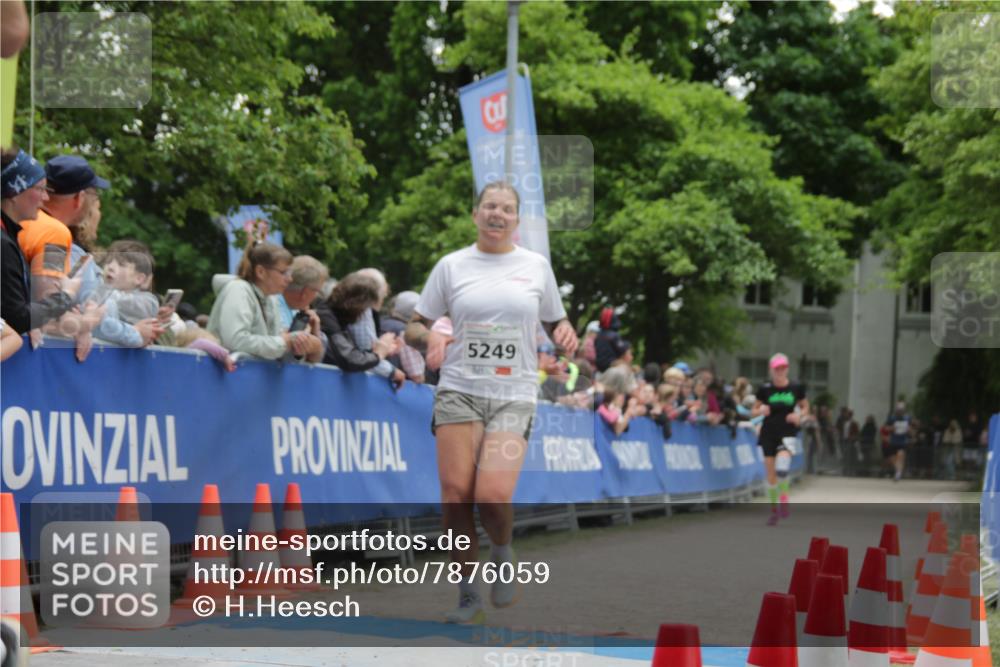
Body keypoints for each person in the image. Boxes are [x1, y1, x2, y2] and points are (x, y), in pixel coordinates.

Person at [404, 181, 577, 624]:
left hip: (513, 394)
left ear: (516, 220)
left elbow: (558, 322)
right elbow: (413, 327)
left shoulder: (536, 267)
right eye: (489, 206)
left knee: (493, 495)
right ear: (476, 214)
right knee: (456, 496)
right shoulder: (451, 265)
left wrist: (565, 334)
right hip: (459, 388)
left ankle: (502, 551)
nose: (497, 214)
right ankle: (468, 598)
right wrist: (433, 336)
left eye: (506, 208)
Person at [1, 148, 81, 334]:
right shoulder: (55, 233)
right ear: (14, 191)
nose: (45, 198)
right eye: (40, 189)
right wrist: (65, 296)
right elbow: (18, 318)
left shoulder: (11, 235)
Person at [207, 242, 322, 361]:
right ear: (260, 272)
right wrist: (284, 341)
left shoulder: (271, 299)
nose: (290, 279)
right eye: (283, 273)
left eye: (290, 273)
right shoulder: (238, 290)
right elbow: (234, 341)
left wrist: (297, 342)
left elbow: (273, 347)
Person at [752, 353, 808, 525]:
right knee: (771, 475)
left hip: (787, 431)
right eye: (777, 368)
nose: (780, 371)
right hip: (768, 432)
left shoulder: (796, 387)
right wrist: (761, 409)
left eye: (783, 368)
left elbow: (805, 406)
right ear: (772, 370)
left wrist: (799, 415)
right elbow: (753, 410)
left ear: (787, 369)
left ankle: (784, 499)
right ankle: (774, 511)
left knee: (782, 468)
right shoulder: (765, 388)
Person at [315, 271, 397, 372]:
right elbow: (349, 359)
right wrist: (379, 354)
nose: (364, 315)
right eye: (365, 309)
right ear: (358, 304)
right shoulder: (327, 317)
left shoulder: (336, 317)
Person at [885, 401, 912, 482]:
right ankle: (898, 470)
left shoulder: (907, 418)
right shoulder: (892, 418)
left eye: (901, 410)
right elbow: (886, 428)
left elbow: (911, 430)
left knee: (900, 457)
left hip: (903, 441)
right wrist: (891, 428)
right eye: (898, 410)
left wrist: (909, 430)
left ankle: (898, 474)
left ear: (904, 410)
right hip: (893, 441)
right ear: (896, 410)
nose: (900, 411)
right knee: (893, 459)